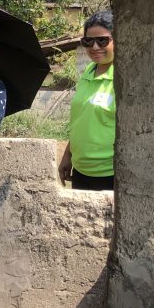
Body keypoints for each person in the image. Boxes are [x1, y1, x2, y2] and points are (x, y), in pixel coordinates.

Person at [59, 10, 115, 191]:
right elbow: (82, 120)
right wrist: (68, 155)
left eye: (103, 40)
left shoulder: (123, 78)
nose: (95, 47)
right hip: (82, 171)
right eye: (88, 41)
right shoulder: (89, 70)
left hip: (110, 173)